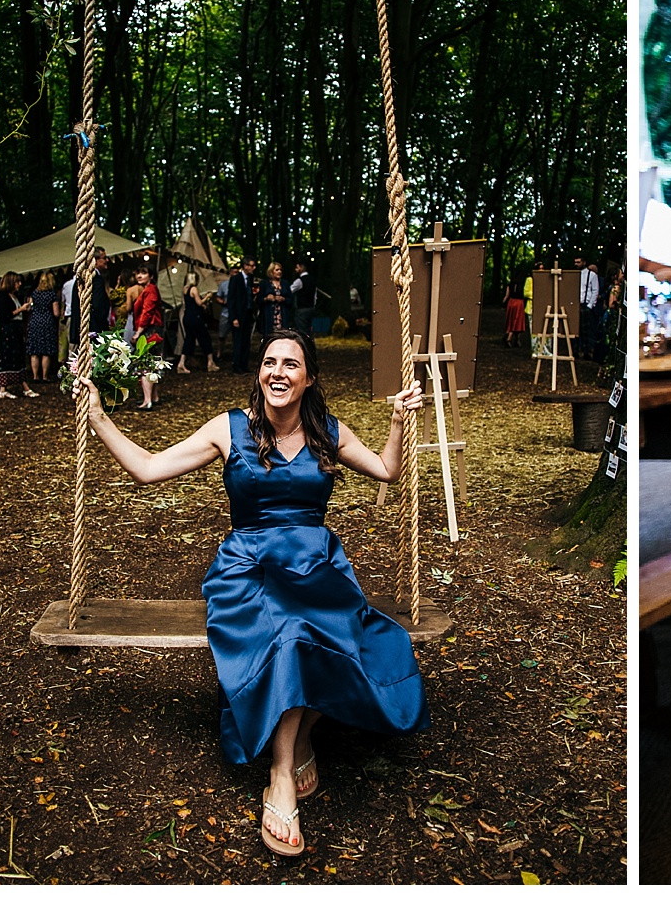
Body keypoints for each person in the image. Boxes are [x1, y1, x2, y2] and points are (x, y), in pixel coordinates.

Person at [69, 329, 427, 858]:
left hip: (316, 564)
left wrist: (398, 422)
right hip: (248, 567)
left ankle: (301, 735)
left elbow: (389, 471)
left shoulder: (328, 430)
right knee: (289, 628)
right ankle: (281, 773)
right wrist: (97, 415)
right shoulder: (230, 428)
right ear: (259, 372)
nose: (277, 372)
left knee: (349, 632)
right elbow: (147, 469)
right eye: (269, 362)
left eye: (290, 364)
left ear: (309, 378)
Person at [0, 273, 37, 399]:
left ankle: (24, 386)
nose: (19, 284)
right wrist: (20, 310)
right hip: (8, 330)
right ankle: (3, 388)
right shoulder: (3, 297)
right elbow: (5, 315)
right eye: (17, 282)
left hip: (16, 329)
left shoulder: (15, 296)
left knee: (18, 356)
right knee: (8, 357)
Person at [131, 266, 166, 410]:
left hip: (150, 330)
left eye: (143, 273)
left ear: (151, 276)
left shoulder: (150, 290)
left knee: (146, 365)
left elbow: (147, 312)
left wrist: (138, 332)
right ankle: (154, 396)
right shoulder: (148, 289)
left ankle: (147, 400)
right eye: (138, 273)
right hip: (152, 330)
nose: (139, 276)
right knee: (153, 363)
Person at [27, 272, 62, 384]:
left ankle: (35, 376)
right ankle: (45, 376)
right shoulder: (52, 295)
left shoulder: (34, 293)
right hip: (47, 323)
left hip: (34, 322)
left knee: (35, 351)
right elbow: (56, 313)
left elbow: (29, 307)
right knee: (46, 351)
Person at [226, 262, 256, 373]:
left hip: (247, 314)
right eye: (251, 266)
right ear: (245, 266)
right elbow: (231, 299)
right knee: (238, 340)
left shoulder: (250, 279)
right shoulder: (236, 279)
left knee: (246, 340)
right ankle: (237, 365)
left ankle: (244, 364)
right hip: (238, 315)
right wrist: (233, 317)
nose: (253, 268)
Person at [185, 282, 218, 373]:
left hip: (187, 317)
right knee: (205, 338)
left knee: (189, 340)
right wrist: (207, 296)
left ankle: (181, 363)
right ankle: (210, 363)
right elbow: (199, 302)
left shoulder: (185, 289)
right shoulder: (193, 289)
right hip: (195, 318)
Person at [575, 257, 603, 362]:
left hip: (586, 305)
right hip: (577, 304)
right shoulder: (575, 275)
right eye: (575, 262)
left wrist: (590, 305)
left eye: (578, 262)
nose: (576, 264)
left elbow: (595, 290)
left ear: (584, 262)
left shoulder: (592, 275)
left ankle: (586, 351)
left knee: (586, 330)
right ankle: (576, 350)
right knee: (576, 329)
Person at [258, 261, 290, 335]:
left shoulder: (285, 284)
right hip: (269, 316)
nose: (279, 272)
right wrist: (266, 298)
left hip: (282, 316)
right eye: (277, 270)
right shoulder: (264, 284)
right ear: (271, 271)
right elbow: (258, 300)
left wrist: (283, 299)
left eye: (280, 270)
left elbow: (291, 300)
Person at [290, 262, 317, 337]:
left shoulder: (299, 281)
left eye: (297, 268)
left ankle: (304, 346)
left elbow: (290, 290)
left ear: (301, 268)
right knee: (309, 330)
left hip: (301, 308)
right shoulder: (312, 280)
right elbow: (315, 295)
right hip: (311, 308)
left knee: (302, 331)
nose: (296, 270)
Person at [504, 280, 528, 347]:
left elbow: (507, 295)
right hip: (519, 303)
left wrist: (503, 303)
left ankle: (511, 336)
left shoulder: (510, 284)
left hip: (511, 302)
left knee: (511, 320)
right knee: (518, 322)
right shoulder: (524, 284)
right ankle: (512, 338)